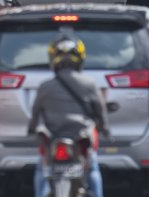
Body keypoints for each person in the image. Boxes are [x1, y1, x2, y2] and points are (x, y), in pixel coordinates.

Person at [28, 35, 108, 197]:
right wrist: (105, 128)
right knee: (92, 167)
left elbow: (35, 114)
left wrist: (31, 130)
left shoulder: (45, 87)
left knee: (42, 169)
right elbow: (100, 110)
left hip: (52, 140)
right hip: (81, 140)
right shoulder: (90, 84)